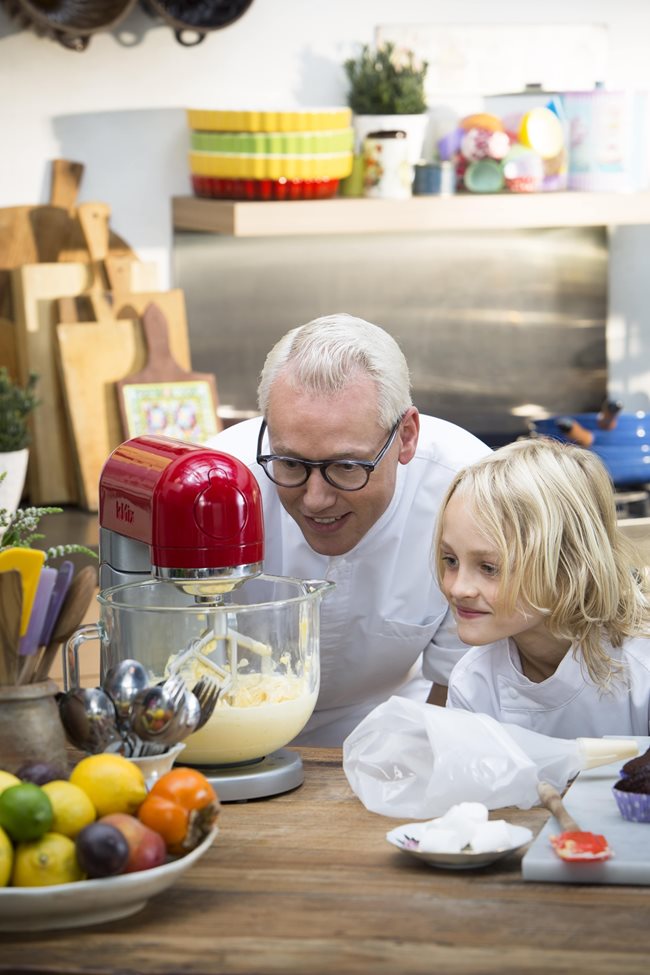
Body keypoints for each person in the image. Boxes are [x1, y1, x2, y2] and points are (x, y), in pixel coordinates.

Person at [207, 312, 491, 745]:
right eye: (290, 463)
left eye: (346, 466)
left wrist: (405, 763)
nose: (316, 499)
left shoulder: (467, 491)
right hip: (228, 733)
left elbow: (460, 681)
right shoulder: (212, 488)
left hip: (398, 728)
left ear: (407, 436)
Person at [435, 436, 650, 737]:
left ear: (568, 568)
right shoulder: (473, 682)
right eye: (451, 560)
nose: (459, 589)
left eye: (489, 568)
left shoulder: (642, 670)